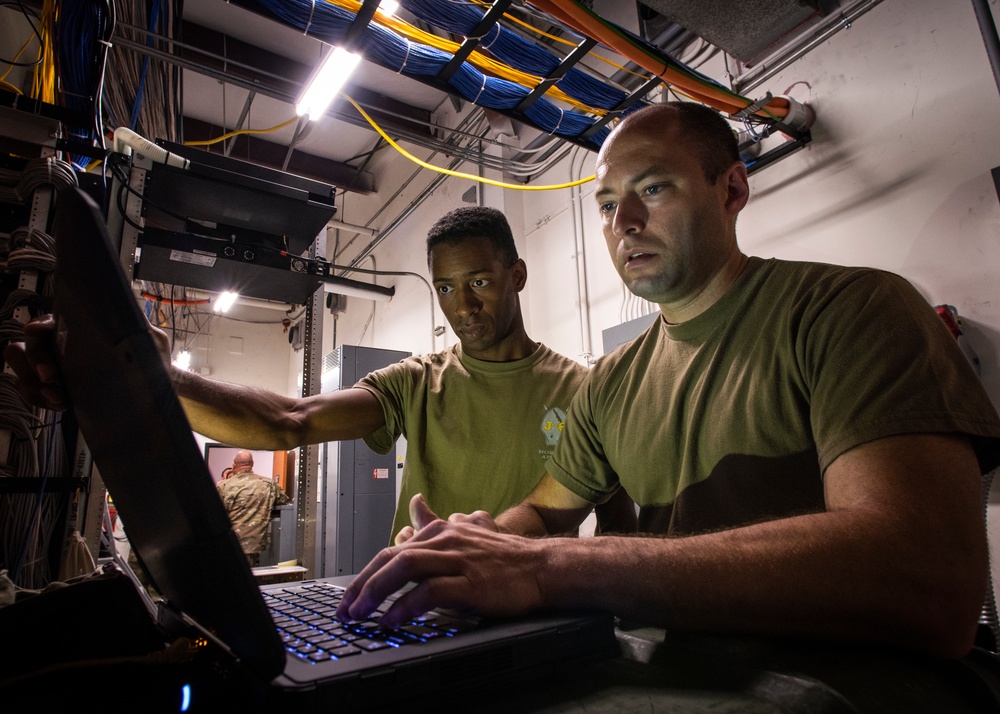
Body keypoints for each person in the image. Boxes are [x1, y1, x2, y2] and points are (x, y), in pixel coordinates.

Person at [335, 101, 1000, 669]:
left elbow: (928, 582)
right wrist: (479, 547)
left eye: (652, 190)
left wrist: (549, 568)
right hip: (675, 679)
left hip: (842, 688)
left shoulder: (846, 311)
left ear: (732, 191)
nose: (622, 223)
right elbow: (543, 515)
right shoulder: (610, 384)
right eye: (605, 204)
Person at [6, 206, 635, 543]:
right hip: (414, 597)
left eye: (480, 282)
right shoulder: (418, 382)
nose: (462, 306)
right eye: (444, 288)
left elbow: (620, 522)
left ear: (517, 276)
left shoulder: (580, 390)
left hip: (531, 613)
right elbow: (289, 420)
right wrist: (150, 374)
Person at [217, 450, 290, 566]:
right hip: (255, 545)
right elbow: (284, 500)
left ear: (234, 465)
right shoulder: (268, 484)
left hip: (231, 544)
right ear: (252, 463)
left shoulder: (224, 486)